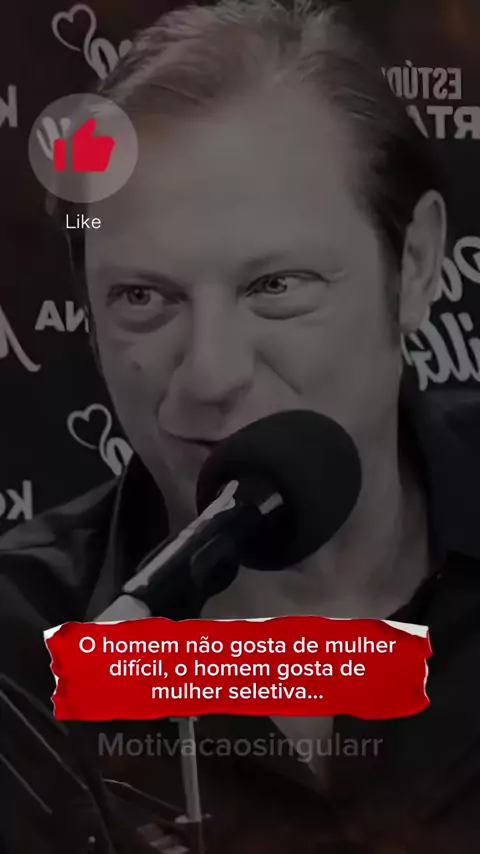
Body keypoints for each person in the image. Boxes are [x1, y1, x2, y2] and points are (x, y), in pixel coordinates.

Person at [2, 1, 480, 852]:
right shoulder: (20, 655)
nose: (209, 375)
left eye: (275, 287)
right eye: (143, 298)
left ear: (412, 268)